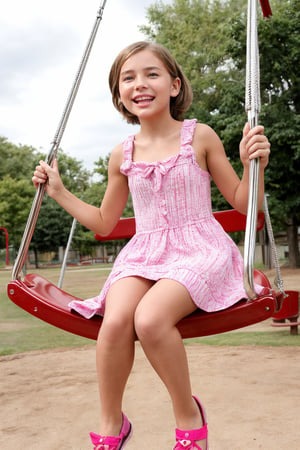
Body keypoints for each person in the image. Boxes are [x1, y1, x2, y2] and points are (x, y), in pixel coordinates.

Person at [32, 41, 270, 450]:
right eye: (129, 78)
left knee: (150, 319)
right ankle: (112, 425)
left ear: (175, 85)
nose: (140, 84)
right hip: (144, 253)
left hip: (200, 248)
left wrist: (256, 167)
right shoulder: (121, 153)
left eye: (151, 74)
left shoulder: (200, 136)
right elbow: (107, 223)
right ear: (119, 93)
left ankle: (188, 415)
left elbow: (244, 203)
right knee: (115, 320)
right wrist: (59, 192)